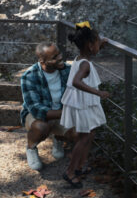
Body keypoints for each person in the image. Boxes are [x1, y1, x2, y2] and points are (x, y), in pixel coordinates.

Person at [61, 22, 109, 188]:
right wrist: (98, 93)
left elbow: (91, 53)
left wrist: (100, 44)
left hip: (81, 102)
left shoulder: (81, 58)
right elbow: (76, 81)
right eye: (96, 42)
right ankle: (70, 171)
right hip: (83, 103)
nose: (98, 45)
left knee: (90, 133)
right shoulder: (86, 64)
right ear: (89, 45)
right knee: (83, 138)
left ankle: (80, 166)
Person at [21, 42, 74, 171]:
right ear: (42, 60)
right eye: (54, 57)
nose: (60, 58)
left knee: (77, 132)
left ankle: (58, 139)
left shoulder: (68, 71)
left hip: (61, 112)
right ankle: (31, 148)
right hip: (36, 116)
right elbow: (36, 109)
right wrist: (66, 113)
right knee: (41, 127)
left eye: (59, 53)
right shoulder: (29, 76)